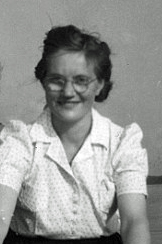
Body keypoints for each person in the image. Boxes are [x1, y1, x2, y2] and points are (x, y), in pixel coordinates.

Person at [0, 25, 150, 244]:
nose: (68, 92)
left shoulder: (121, 143)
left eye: (81, 80)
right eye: (56, 80)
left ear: (99, 85)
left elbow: (134, 221)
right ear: (43, 82)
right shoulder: (19, 140)